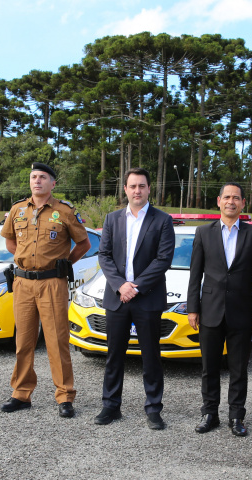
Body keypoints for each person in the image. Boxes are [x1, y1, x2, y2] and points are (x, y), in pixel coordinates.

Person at [0, 162, 90, 418]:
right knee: (24, 341)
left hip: (53, 283)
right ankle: (21, 393)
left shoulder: (65, 211)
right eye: (33, 177)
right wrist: (26, 259)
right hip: (23, 283)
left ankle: (64, 396)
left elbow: (84, 243)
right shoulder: (17, 210)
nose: (37, 181)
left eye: (42, 177)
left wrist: (65, 264)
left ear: (53, 183)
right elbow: (9, 241)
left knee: (56, 341)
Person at [95, 168, 176, 430]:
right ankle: (110, 406)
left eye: (142, 186)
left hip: (147, 298)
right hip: (118, 298)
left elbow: (163, 260)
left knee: (150, 355)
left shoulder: (162, 220)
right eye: (132, 186)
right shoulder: (112, 219)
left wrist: (136, 287)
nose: (137, 190)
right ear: (126, 189)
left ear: (149, 188)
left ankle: (153, 408)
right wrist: (121, 286)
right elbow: (104, 256)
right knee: (114, 355)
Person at [186, 183, 252, 437]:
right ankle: (209, 413)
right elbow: (195, 273)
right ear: (219, 201)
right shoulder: (203, 232)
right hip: (209, 310)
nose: (231, 201)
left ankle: (236, 416)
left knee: (238, 367)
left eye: (236, 198)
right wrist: (192, 308)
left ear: (243, 203)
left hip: (242, 311)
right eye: (227, 197)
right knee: (209, 367)